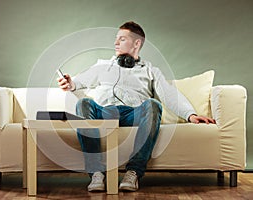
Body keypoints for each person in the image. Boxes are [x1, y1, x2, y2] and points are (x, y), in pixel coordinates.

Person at [57, 21, 215, 192]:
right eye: (116, 39)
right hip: (104, 111)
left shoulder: (150, 70)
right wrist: (69, 83)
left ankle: (133, 172)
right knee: (84, 103)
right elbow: (77, 82)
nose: (116, 43)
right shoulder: (102, 66)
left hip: (134, 113)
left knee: (153, 104)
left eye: (122, 39)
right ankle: (96, 172)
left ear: (136, 43)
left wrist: (190, 115)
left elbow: (169, 94)